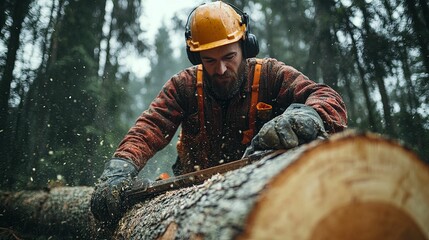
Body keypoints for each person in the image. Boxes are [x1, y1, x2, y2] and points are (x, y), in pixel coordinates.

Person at [90, 1, 347, 222]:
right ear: (196, 57)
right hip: (190, 192)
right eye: (210, 60)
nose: (221, 69)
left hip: (262, 185)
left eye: (229, 57)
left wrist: (307, 117)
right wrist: (120, 168)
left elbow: (326, 97)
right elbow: (150, 127)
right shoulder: (184, 86)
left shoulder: (271, 75)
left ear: (245, 47)